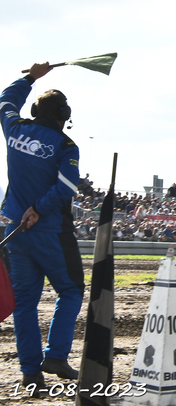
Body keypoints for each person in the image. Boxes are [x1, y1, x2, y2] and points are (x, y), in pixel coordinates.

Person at [0, 62, 84, 391]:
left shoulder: (15, 128)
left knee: (24, 303)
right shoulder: (66, 147)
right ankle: (57, 355)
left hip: (14, 232)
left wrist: (30, 77)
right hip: (51, 232)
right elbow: (66, 187)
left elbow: (5, 100)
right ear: (63, 117)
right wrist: (39, 208)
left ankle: (30, 373)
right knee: (71, 290)